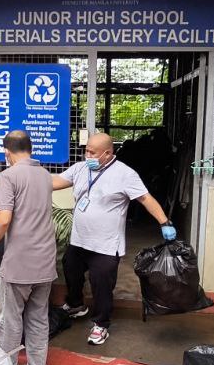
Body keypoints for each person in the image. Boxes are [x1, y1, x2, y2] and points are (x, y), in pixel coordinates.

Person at [52, 132, 176, 346]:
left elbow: (145, 199)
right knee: (70, 269)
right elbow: (56, 181)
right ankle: (76, 305)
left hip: (106, 245)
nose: (87, 154)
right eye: (86, 150)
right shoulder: (81, 168)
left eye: (92, 152)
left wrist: (165, 222)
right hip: (80, 239)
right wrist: (27, 178)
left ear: (107, 154)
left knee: (102, 285)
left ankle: (101, 324)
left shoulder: (125, 174)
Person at [0, 131, 56, 365]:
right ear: (31, 149)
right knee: (38, 318)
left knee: (10, 321)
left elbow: (3, 220)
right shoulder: (45, 175)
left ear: (6, 152)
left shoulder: (8, 176)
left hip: (19, 265)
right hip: (45, 262)